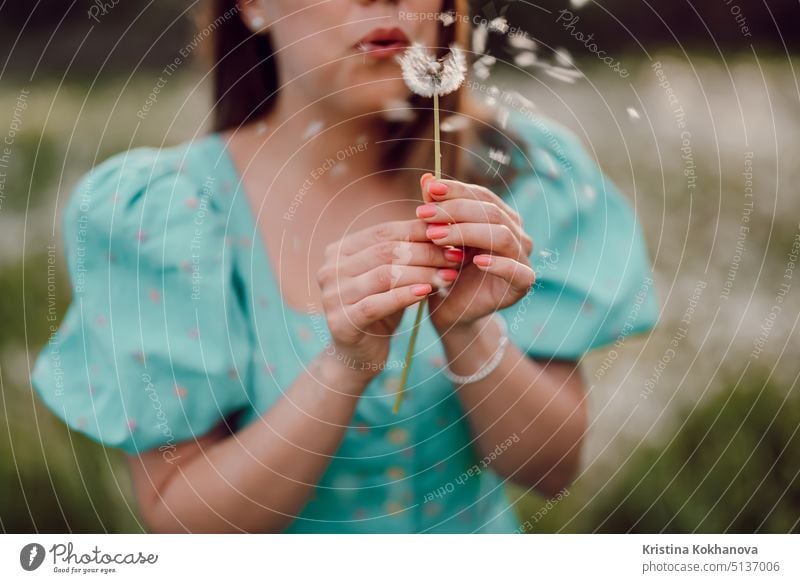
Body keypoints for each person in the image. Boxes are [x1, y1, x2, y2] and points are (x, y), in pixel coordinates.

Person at [31, 0, 659, 533]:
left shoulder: (515, 172)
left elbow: (553, 467)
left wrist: (469, 329)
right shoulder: (166, 214)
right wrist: (345, 366)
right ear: (251, 3)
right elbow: (182, 522)